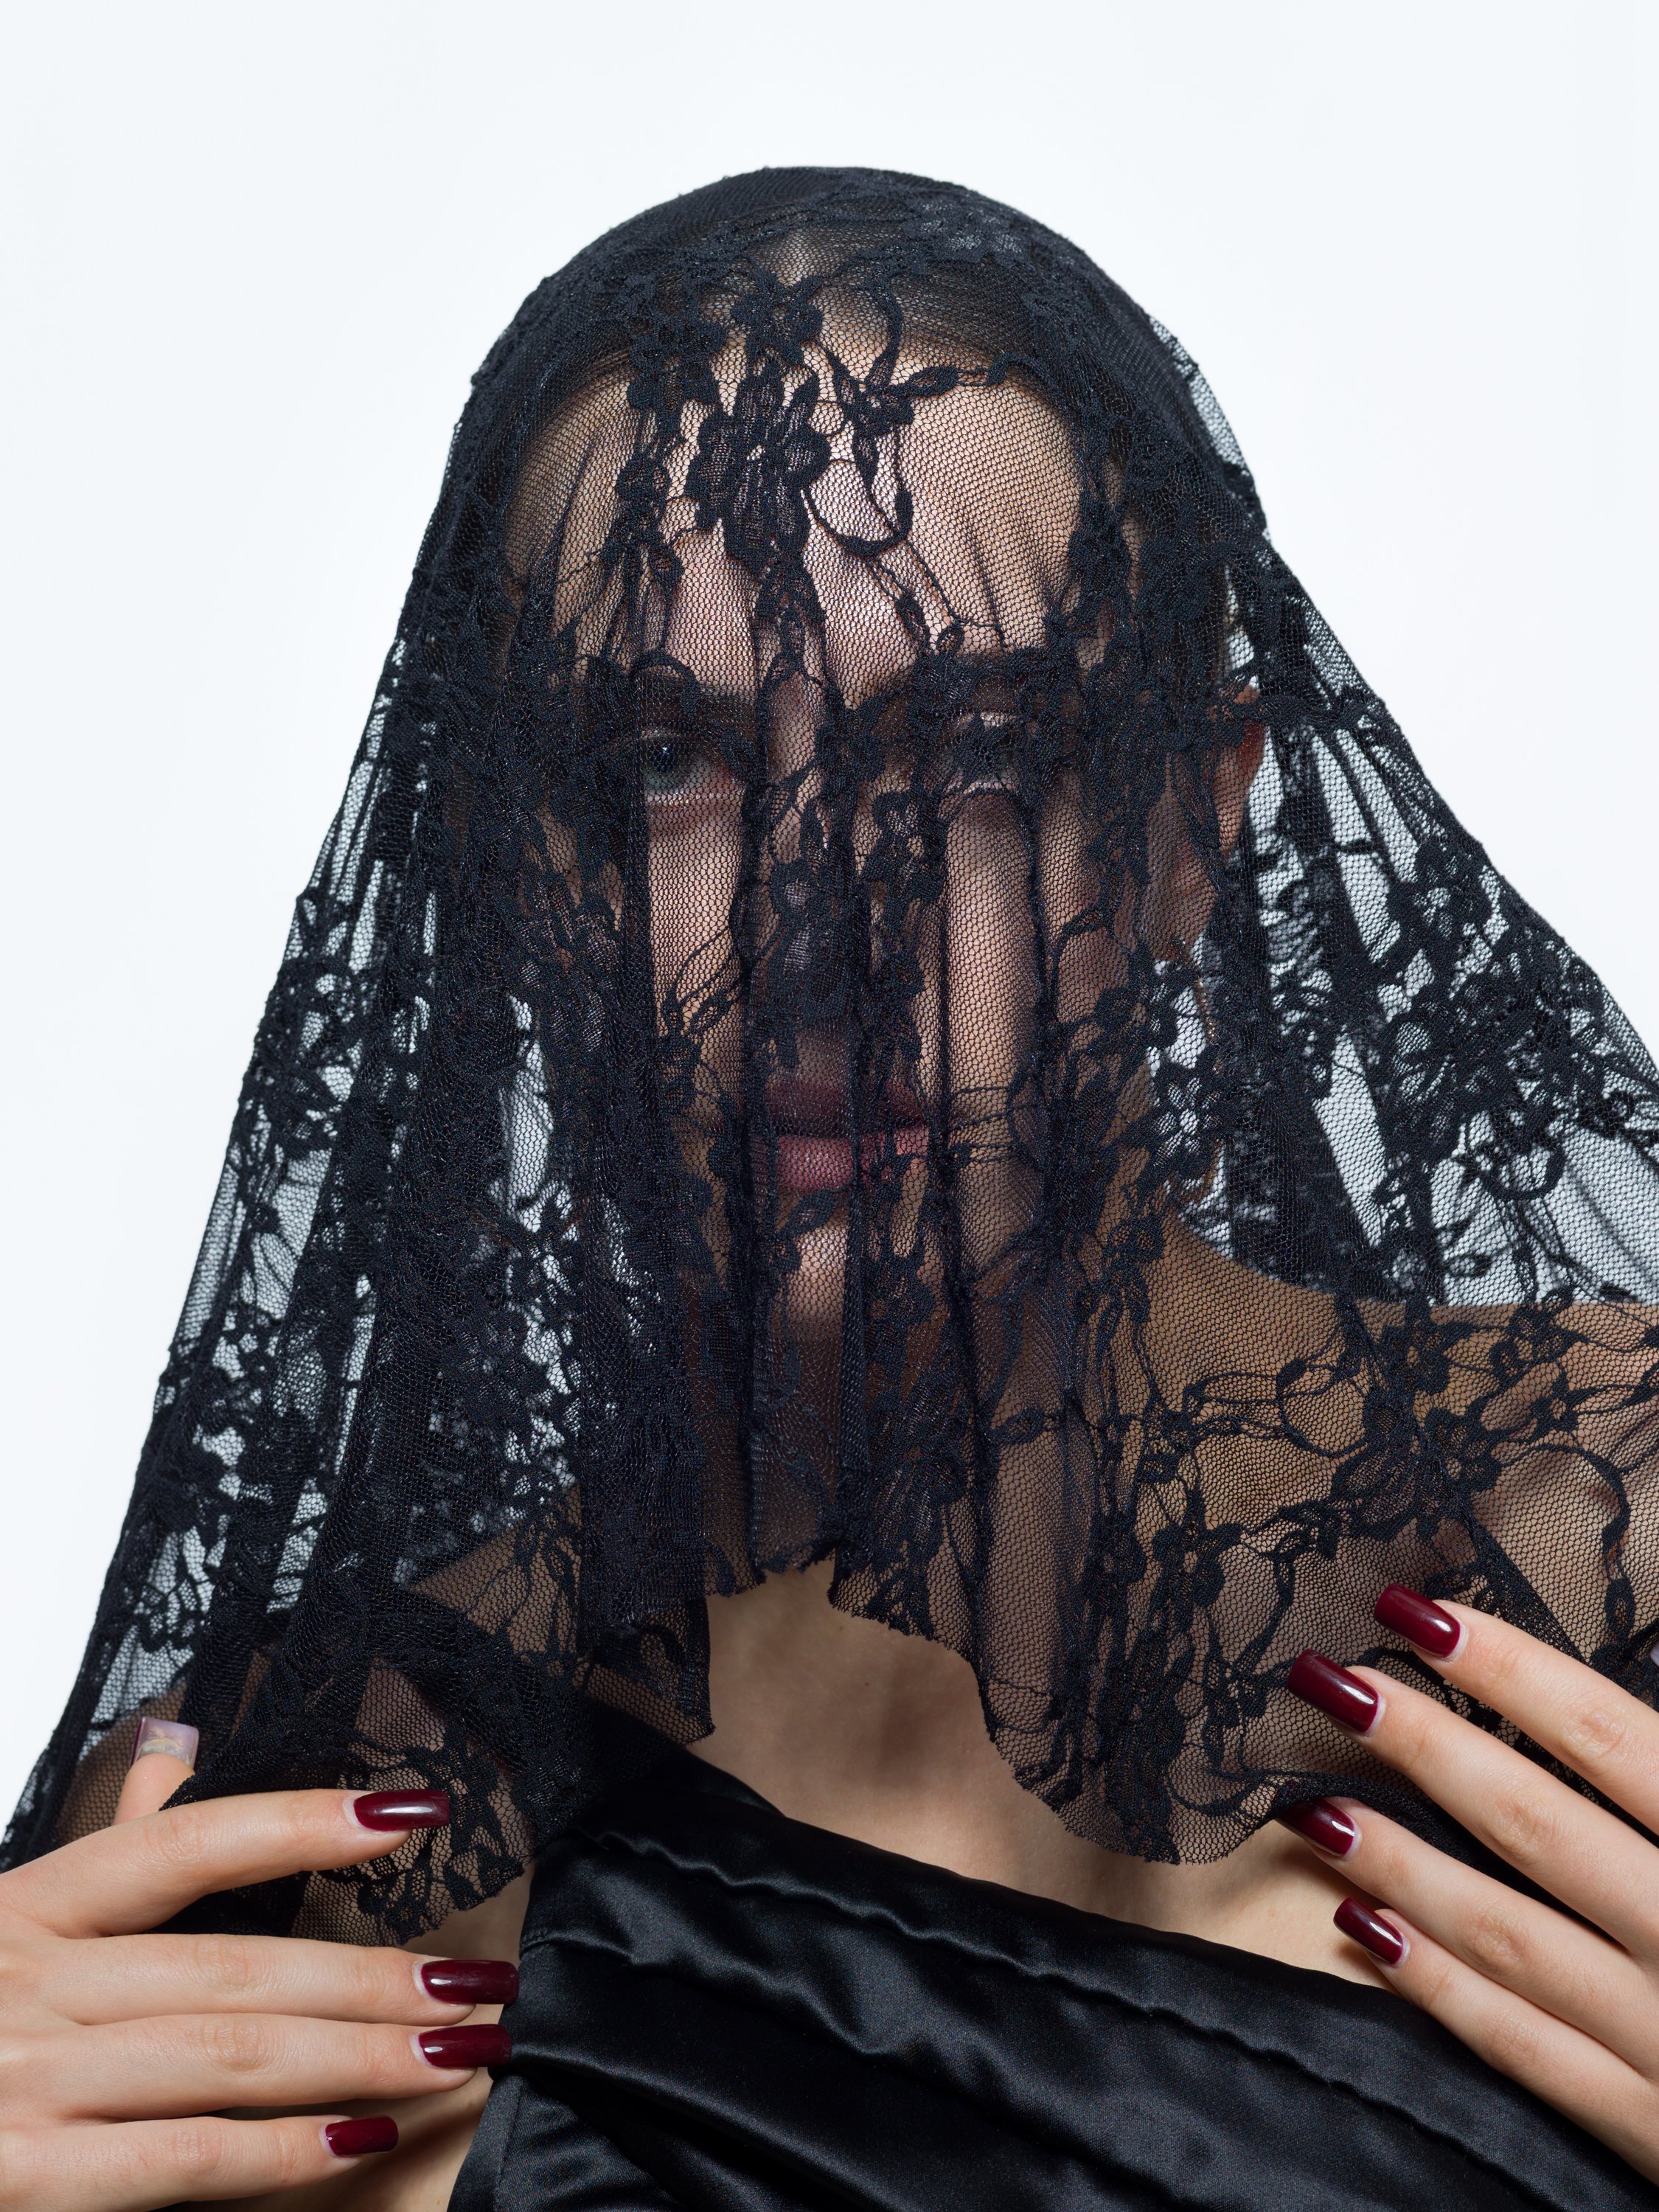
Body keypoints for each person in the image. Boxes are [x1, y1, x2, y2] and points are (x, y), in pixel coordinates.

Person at [2, 167, 1658, 2208]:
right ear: (519, 869)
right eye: (658, 765)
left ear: (1189, 826)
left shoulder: (1622, 1549)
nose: (812, 939)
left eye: (974, 750)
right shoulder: (305, 1803)